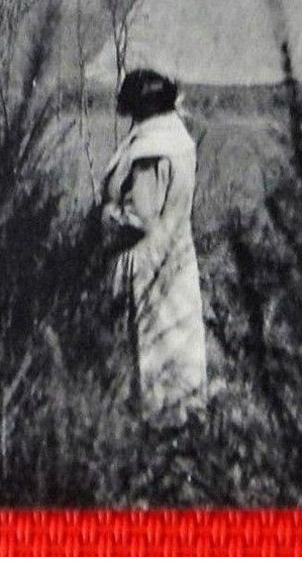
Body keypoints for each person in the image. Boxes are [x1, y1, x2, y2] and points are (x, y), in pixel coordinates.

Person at [96, 68, 207, 416]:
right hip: (177, 257)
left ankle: (153, 426)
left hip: (144, 265)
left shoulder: (150, 148)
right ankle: (180, 420)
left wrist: (103, 216)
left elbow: (139, 218)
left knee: (147, 351)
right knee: (178, 347)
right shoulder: (179, 139)